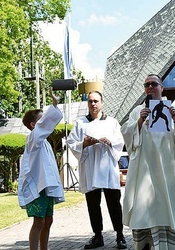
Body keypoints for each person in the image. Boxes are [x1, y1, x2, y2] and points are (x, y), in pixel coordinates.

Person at [121, 74, 175, 250]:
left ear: (162, 87)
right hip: (145, 175)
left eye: (154, 84)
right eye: (147, 84)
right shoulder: (137, 111)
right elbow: (127, 136)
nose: (150, 87)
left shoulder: (174, 109)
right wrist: (140, 121)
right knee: (145, 216)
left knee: (171, 213)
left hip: (170, 175)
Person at [67, 91, 127, 249]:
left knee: (114, 203)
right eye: (90, 101)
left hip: (107, 168)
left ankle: (120, 235)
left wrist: (110, 141)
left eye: (96, 101)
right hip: (90, 168)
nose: (93, 104)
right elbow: (72, 142)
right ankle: (98, 236)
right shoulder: (80, 123)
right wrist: (84, 144)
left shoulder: (112, 122)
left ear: (102, 102)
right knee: (93, 204)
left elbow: (120, 140)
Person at [18, 88, 65, 250]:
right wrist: (54, 104)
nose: (45, 121)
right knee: (39, 221)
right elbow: (46, 125)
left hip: (46, 187)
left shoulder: (43, 141)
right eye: (41, 119)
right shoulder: (33, 138)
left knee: (48, 220)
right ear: (33, 125)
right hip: (36, 187)